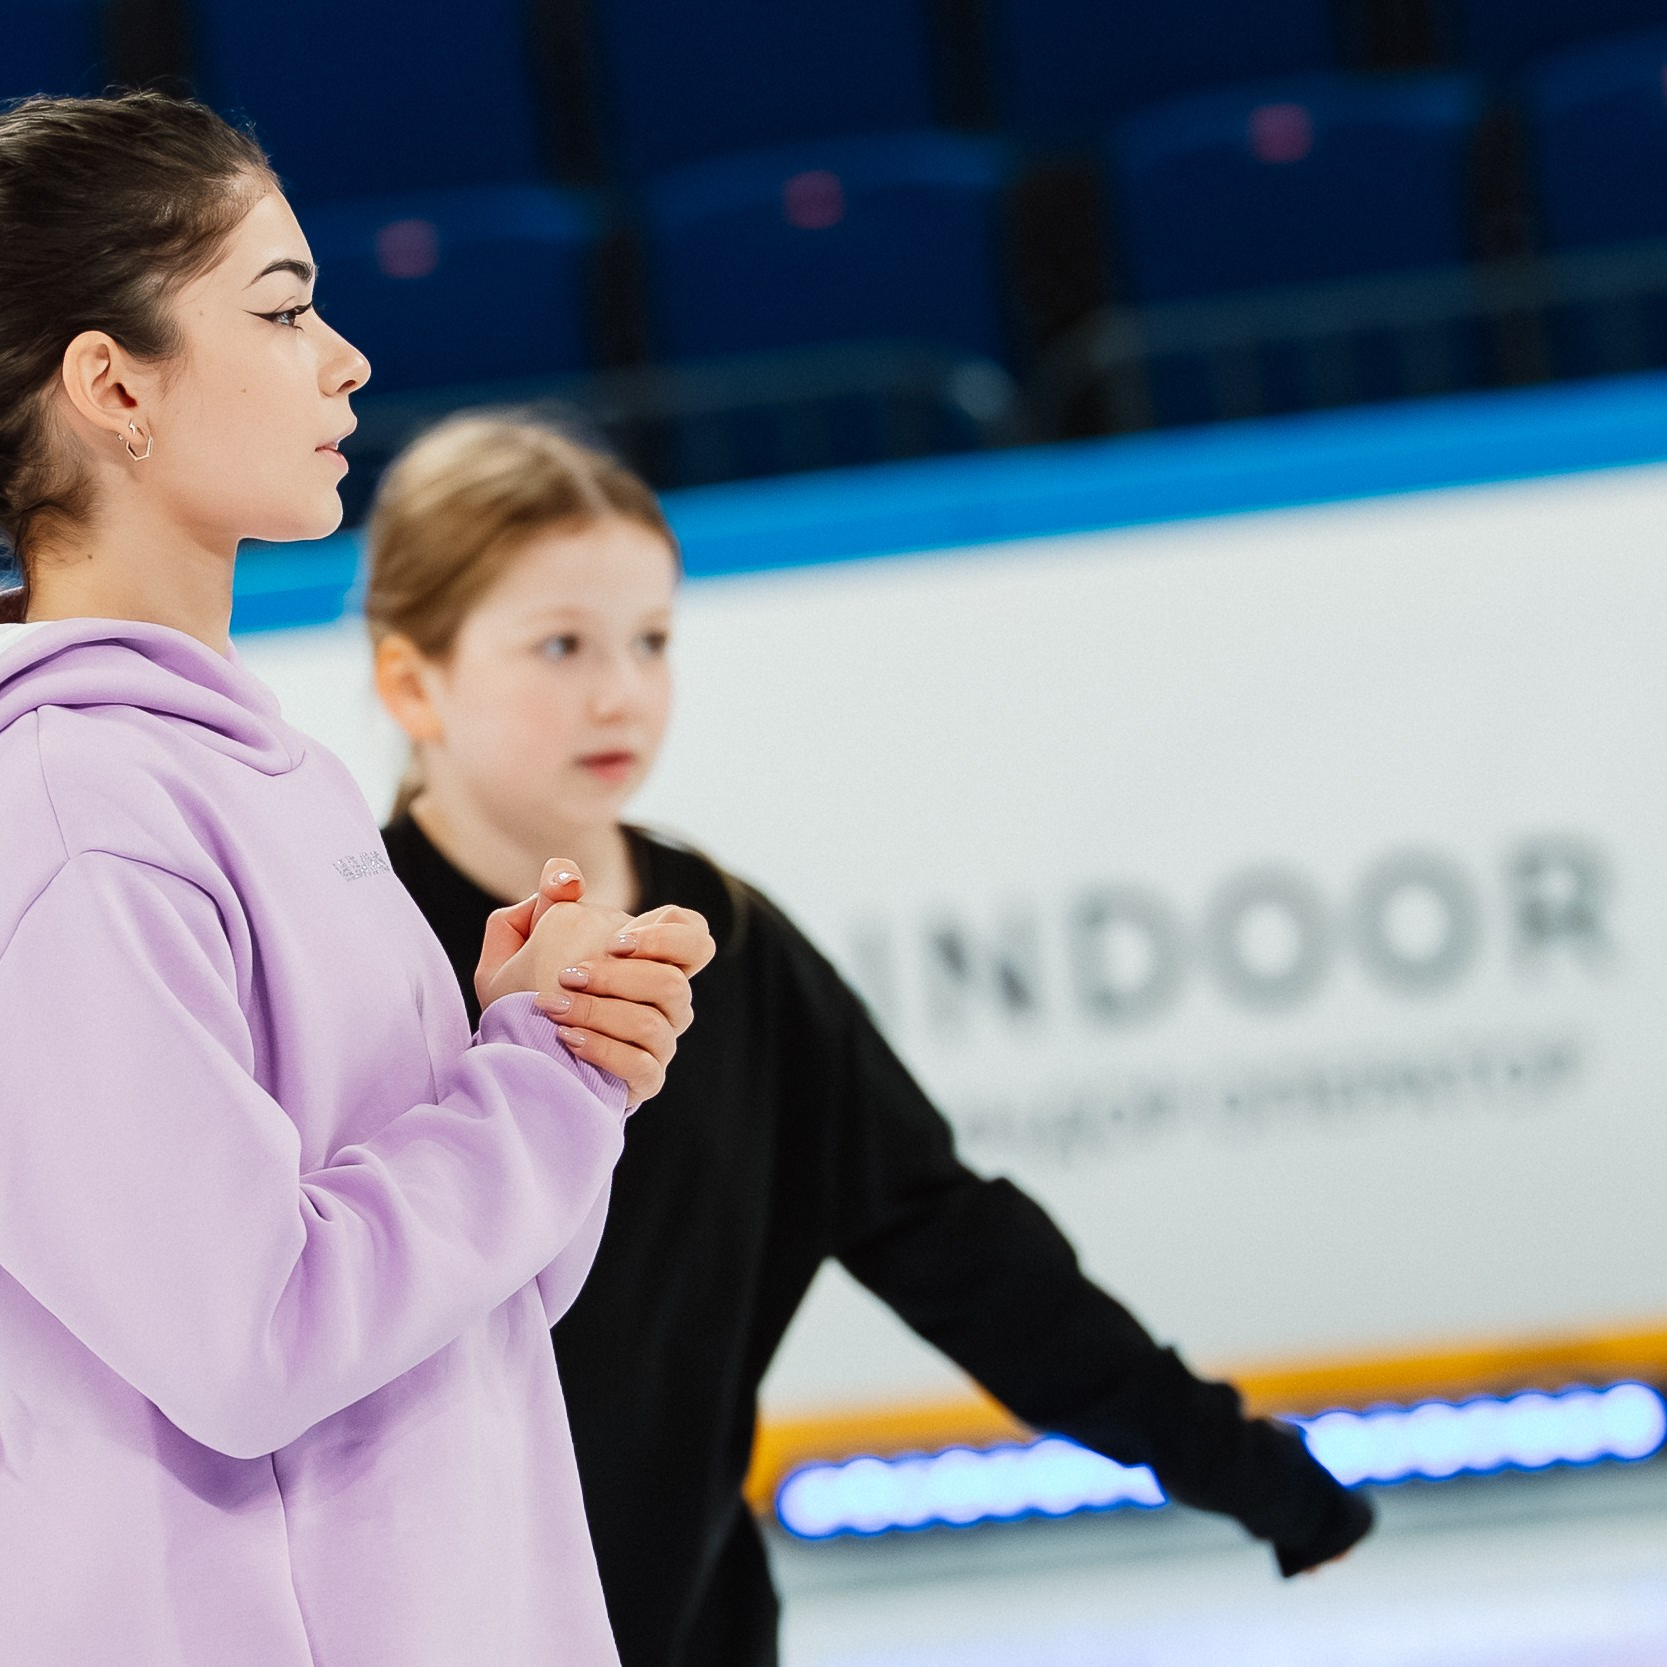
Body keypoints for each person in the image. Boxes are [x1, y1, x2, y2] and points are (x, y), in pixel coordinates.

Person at [0, 98, 714, 1665]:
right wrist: (535, 1090)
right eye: (284, 309)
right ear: (115, 386)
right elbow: (253, 1339)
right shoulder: (68, 821)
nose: (343, 359)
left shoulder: (253, 769)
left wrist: (551, 1050)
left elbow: (460, 1308)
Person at [363, 414, 1376, 1667]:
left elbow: (952, 1241)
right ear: (412, 681)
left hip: (694, 1623)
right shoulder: (357, 944)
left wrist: (1234, 1460)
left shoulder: (728, 935)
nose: (620, 689)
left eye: (651, 639)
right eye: (561, 643)